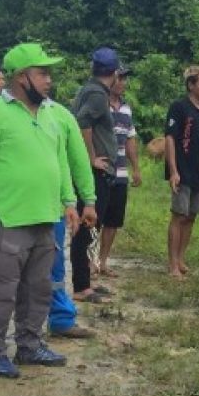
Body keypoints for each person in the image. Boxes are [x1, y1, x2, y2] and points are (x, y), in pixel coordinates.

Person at [0, 43, 90, 379]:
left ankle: (30, 347)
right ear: (21, 77)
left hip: (45, 217)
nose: (49, 80)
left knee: (37, 289)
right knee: (0, 292)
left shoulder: (49, 114)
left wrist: (70, 201)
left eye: (49, 73)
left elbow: (58, 162)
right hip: (6, 219)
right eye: (42, 73)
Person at [70, 47, 120, 304]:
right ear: (114, 71)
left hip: (91, 170)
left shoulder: (89, 90)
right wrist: (91, 157)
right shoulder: (98, 95)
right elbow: (82, 122)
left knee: (89, 227)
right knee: (87, 227)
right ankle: (81, 286)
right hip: (93, 172)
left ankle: (85, 281)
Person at [165, 65, 199, 277]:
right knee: (178, 215)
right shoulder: (179, 107)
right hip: (183, 171)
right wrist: (173, 170)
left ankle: (181, 258)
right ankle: (172, 264)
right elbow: (170, 138)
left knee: (191, 217)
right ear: (191, 85)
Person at [98, 65, 143, 278]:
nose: (124, 83)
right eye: (121, 79)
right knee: (95, 218)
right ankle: (89, 262)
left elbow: (130, 139)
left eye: (126, 79)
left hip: (121, 173)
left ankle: (103, 261)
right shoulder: (99, 104)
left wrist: (136, 168)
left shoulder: (126, 108)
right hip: (100, 170)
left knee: (113, 221)